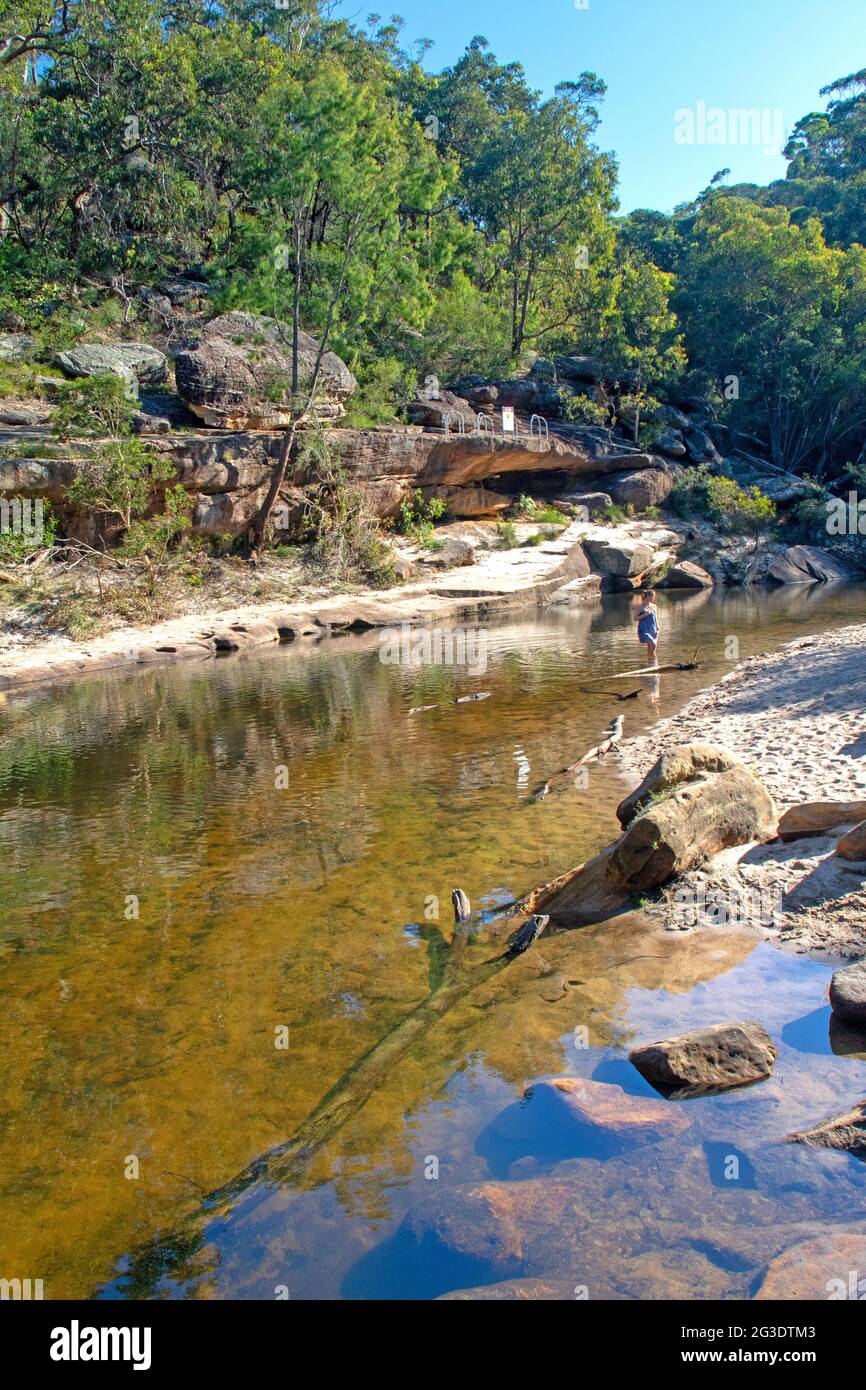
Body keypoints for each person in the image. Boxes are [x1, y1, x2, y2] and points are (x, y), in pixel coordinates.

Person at [636, 588, 659, 665]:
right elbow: (635, 618)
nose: (654, 598)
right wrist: (644, 615)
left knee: (651, 649)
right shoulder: (640, 606)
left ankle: (651, 664)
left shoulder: (654, 606)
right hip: (644, 630)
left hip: (653, 629)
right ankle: (653, 664)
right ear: (647, 597)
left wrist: (658, 629)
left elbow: (655, 618)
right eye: (653, 596)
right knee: (653, 644)